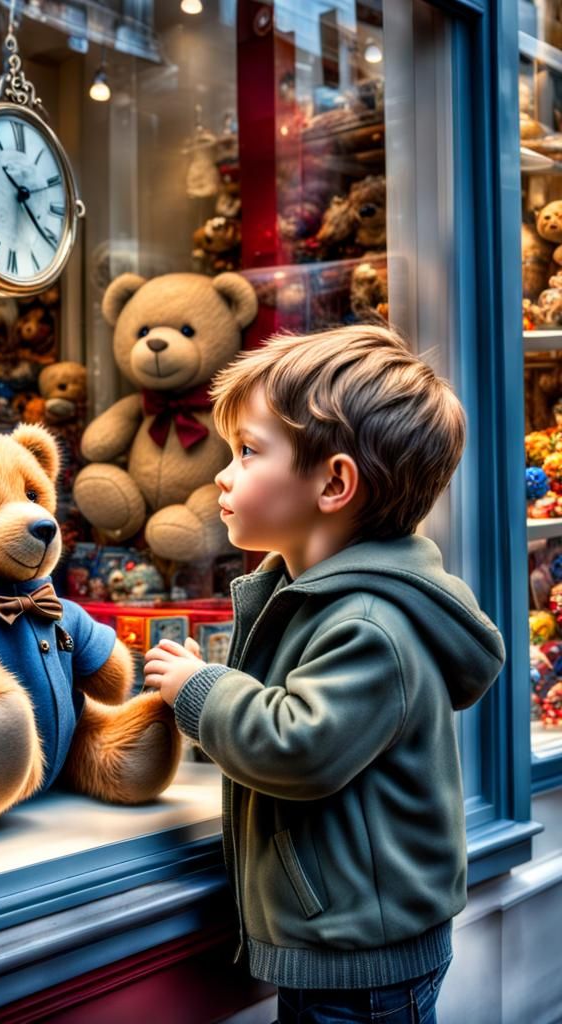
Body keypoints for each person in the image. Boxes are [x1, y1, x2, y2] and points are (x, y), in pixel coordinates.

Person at [143, 325, 504, 1024]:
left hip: (360, 965)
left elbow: (297, 744)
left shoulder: (368, 624)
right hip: (345, 943)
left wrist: (198, 689)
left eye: (247, 452)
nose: (224, 472)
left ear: (334, 482)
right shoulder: (313, 594)